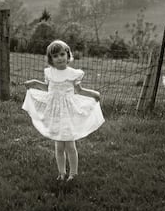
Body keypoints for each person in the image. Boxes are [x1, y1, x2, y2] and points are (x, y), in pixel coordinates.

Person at [22, 40, 104, 182]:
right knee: (59, 145)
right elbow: (48, 88)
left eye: (62, 54)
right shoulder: (49, 72)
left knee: (70, 145)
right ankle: (61, 172)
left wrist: (94, 94)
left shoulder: (73, 73)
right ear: (51, 59)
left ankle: (73, 173)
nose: (60, 58)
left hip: (68, 111)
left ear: (68, 55)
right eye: (55, 56)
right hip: (55, 113)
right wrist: (34, 83)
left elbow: (79, 90)